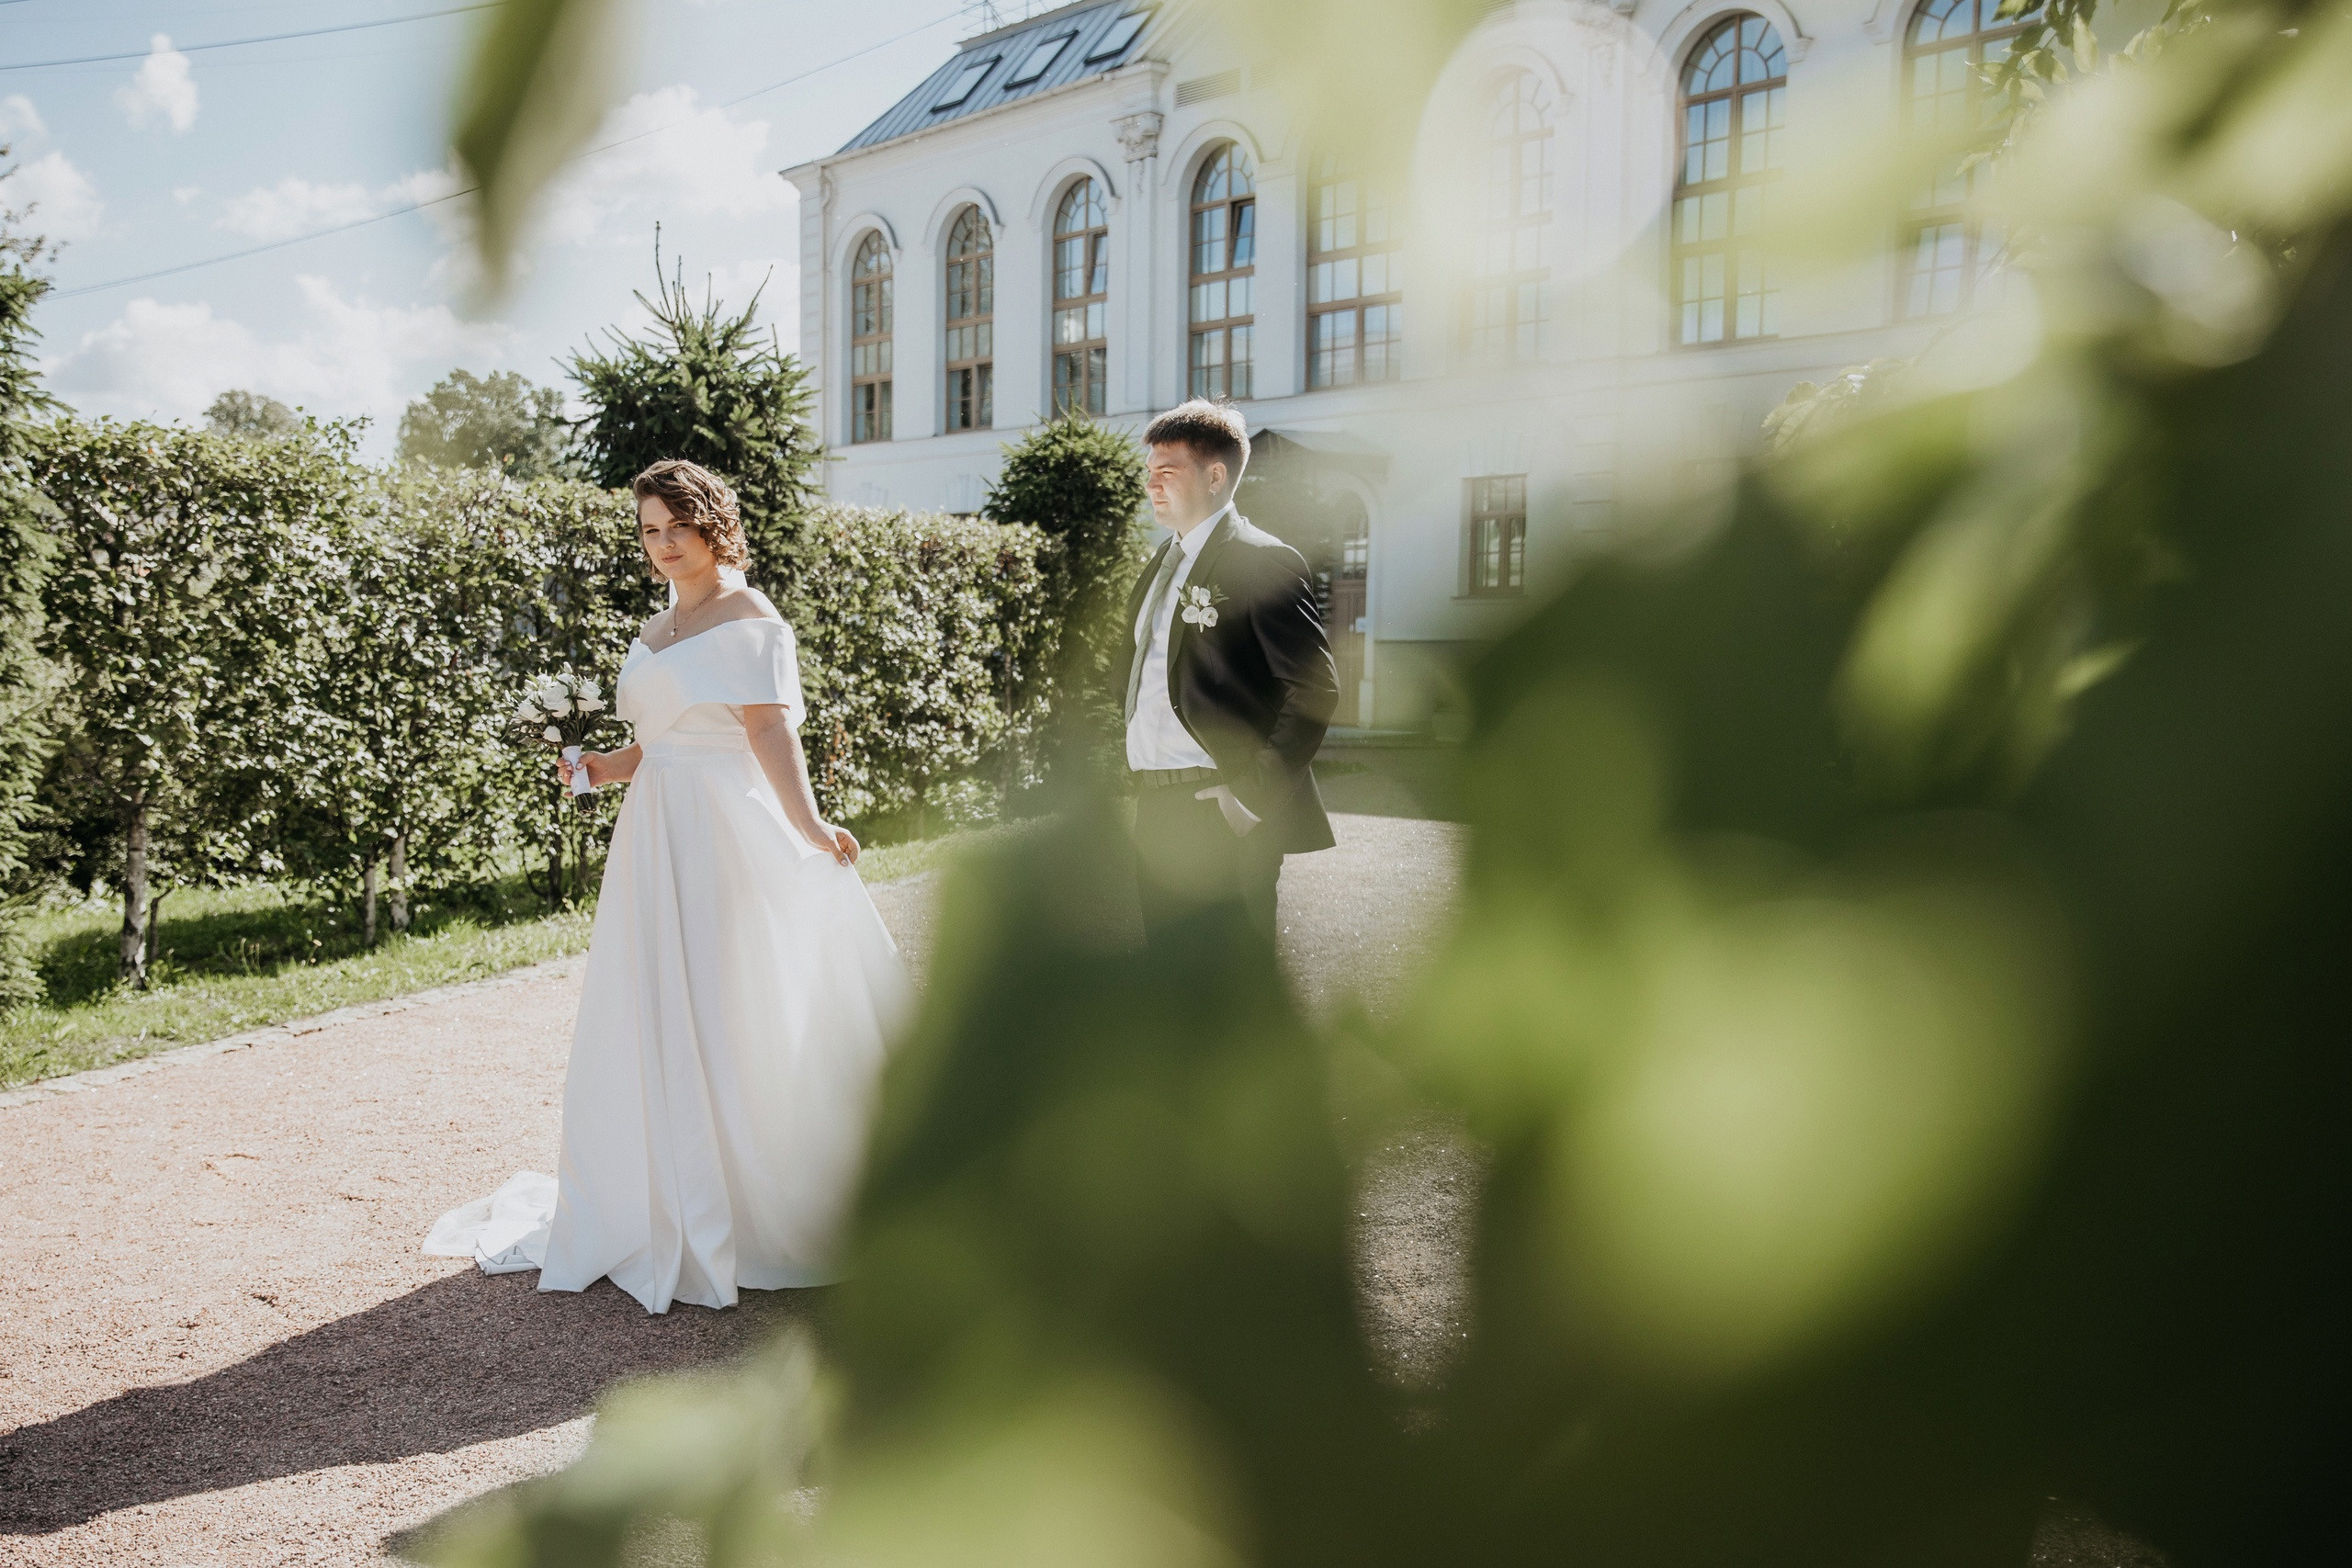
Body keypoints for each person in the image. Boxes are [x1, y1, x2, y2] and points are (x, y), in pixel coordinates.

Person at [424, 459, 910, 1314]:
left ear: (711, 524)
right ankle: (668, 1195)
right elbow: (665, 735)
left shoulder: (753, 616)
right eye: (649, 531)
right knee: (657, 997)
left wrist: (811, 825)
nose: (662, 545)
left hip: (725, 827)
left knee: (729, 998)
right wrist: (603, 768)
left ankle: (752, 1204)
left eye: (675, 527)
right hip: (654, 827)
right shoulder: (657, 626)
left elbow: (765, 732)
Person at [1115, 400, 1339, 943]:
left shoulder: (1261, 560)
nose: (1152, 485)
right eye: (1149, 474)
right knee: (1168, 987)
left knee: (1233, 993)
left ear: (1215, 476)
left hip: (1218, 810)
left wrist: (1248, 798)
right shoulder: (1158, 567)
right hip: (1156, 809)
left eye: (1167, 472)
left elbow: (1315, 689)